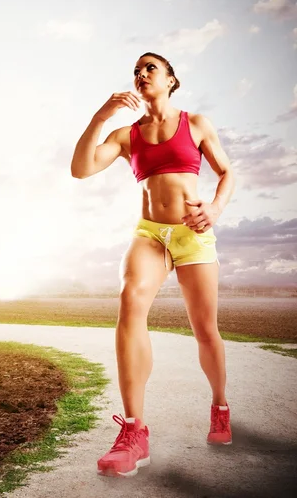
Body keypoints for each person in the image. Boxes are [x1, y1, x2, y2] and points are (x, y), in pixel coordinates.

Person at [70, 52, 235, 478]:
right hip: (150, 235)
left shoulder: (196, 124)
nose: (141, 75)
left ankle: (220, 405)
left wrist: (214, 209)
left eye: (150, 69)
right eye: (136, 71)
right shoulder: (127, 135)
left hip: (192, 234)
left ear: (171, 80)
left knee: (205, 330)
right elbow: (81, 168)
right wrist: (101, 115)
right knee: (130, 302)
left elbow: (227, 173)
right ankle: (134, 432)